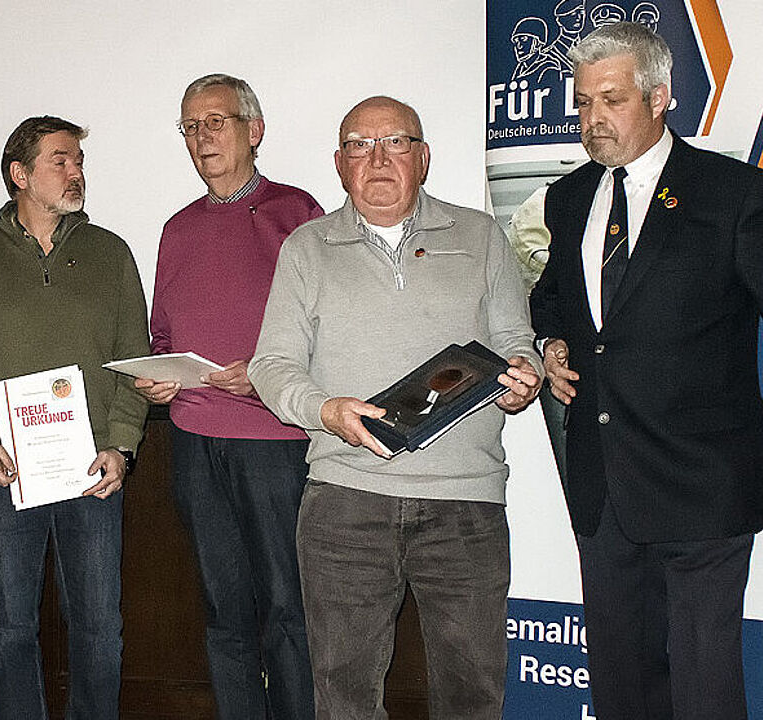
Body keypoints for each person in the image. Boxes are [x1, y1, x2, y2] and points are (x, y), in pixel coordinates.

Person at [249, 96, 543, 719]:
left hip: (465, 503)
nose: (378, 158)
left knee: (472, 697)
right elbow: (271, 365)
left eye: (396, 142)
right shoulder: (306, 248)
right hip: (344, 503)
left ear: (424, 157)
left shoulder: (481, 237)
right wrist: (325, 410)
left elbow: (516, 341)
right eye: (359, 145)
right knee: (345, 700)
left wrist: (526, 375)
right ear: (339, 163)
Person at [529, 23, 763, 720]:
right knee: (622, 687)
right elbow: (554, 298)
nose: (592, 119)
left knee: (703, 690)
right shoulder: (568, 198)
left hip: (702, 484)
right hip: (603, 486)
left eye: (613, 100)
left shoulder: (732, 192)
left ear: (660, 98)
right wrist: (551, 342)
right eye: (582, 103)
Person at [0, 115, 149, 719]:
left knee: (100, 627)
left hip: (93, 472)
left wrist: (122, 446)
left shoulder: (111, 254)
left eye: (79, 160)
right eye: (61, 160)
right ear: (20, 174)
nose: (76, 171)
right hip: (5, 472)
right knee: (10, 628)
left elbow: (134, 365)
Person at [134, 73, 321, 720]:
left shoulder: (298, 214)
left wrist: (266, 373)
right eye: (191, 126)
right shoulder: (177, 229)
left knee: (289, 610)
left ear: (254, 130)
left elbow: (327, 327)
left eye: (216, 121)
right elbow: (163, 333)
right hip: (193, 441)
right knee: (223, 612)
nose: (202, 137)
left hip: (274, 443)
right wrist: (157, 376)